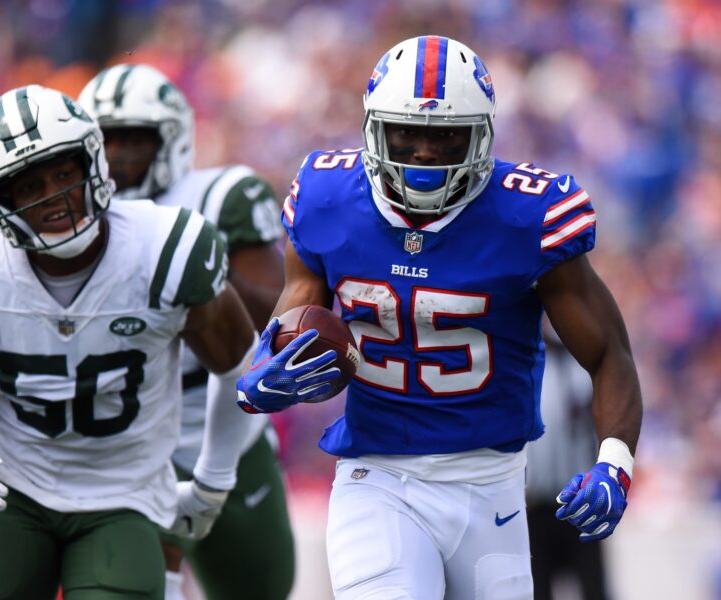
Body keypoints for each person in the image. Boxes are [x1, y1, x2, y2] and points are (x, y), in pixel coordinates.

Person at [235, 35, 643, 600]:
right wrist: (261, 373)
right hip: (376, 476)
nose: (424, 152)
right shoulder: (326, 199)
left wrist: (614, 463)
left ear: (481, 135)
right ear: (375, 130)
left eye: (446, 135)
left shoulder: (529, 215)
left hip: (492, 485)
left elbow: (608, 354)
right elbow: (291, 320)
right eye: (407, 132)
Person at [0, 84, 260, 600]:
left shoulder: (162, 248)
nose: (53, 196)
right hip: (13, 484)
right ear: (0, 201)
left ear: (93, 162)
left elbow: (239, 364)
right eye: (29, 186)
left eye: (64, 173)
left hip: (122, 493)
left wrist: (214, 479)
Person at [77, 64, 294, 600]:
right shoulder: (69, 216)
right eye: (105, 140)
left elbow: (278, 318)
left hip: (219, 422)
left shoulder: (221, 196)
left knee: (259, 589)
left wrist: (197, 265)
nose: (116, 154)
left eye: (133, 138)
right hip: (122, 428)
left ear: (171, 138)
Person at [526, 322, 609, 600]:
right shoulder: (524, 366)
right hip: (534, 503)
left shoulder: (579, 366)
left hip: (579, 501)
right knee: (537, 588)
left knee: (593, 586)